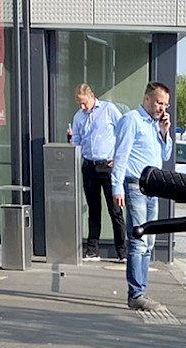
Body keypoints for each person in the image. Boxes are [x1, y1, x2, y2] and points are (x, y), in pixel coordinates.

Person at [110, 79, 174, 312]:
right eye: (159, 103)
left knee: (149, 242)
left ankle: (141, 290)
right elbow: (121, 155)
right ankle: (136, 294)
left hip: (152, 188)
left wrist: (165, 133)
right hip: (135, 185)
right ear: (147, 99)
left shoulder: (156, 125)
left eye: (165, 104)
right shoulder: (132, 120)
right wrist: (117, 188)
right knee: (138, 240)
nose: (162, 108)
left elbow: (165, 155)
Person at [69, 83, 123, 261]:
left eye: (84, 102)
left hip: (107, 165)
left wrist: (117, 156)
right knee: (94, 208)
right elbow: (77, 141)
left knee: (114, 209)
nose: (82, 106)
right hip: (89, 166)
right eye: (79, 103)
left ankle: (122, 250)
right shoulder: (78, 117)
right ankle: (92, 249)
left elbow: (123, 132)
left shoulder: (108, 110)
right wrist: (71, 143)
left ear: (91, 96)